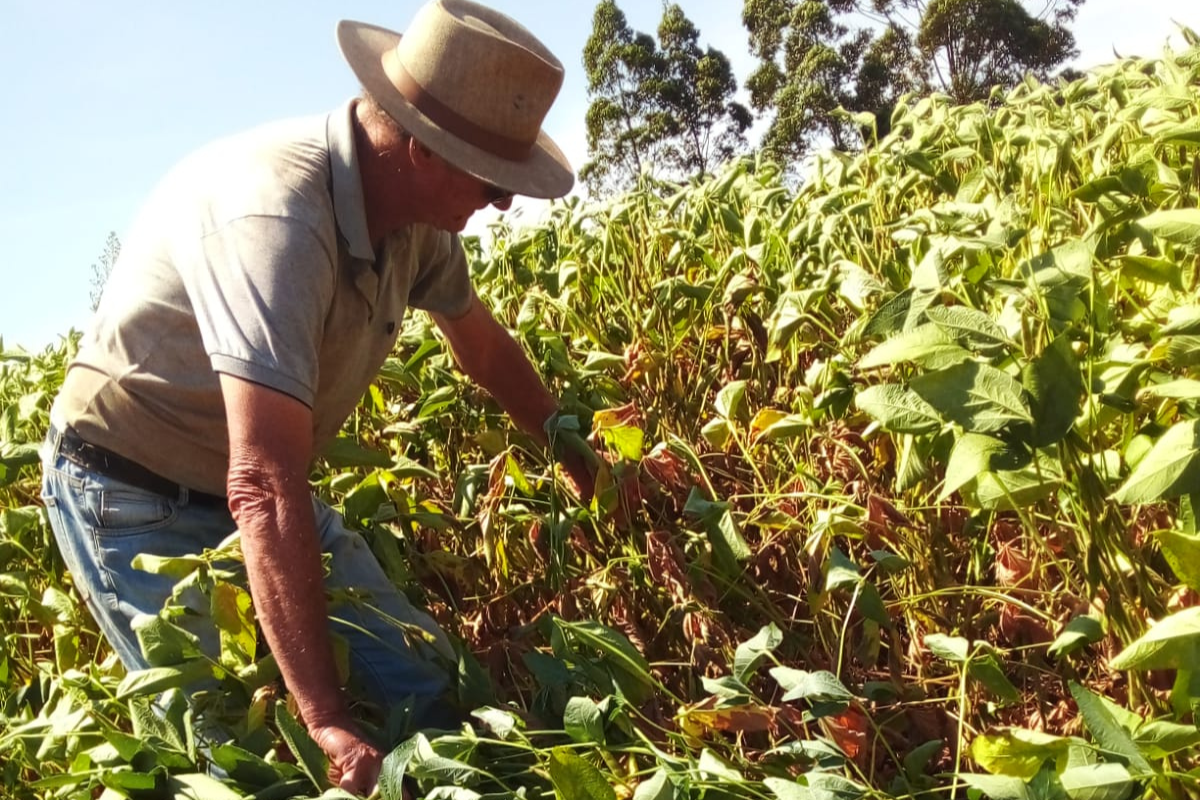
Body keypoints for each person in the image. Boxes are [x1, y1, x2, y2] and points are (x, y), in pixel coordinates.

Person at [40, 0, 593, 793]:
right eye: (492, 178)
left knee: (435, 690)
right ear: (423, 148)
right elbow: (262, 484)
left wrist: (581, 458)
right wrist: (324, 716)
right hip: (131, 493)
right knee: (250, 759)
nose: (503, 202)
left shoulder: (416, 222)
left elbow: (483, 349)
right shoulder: (277, 218)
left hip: (258, 488)